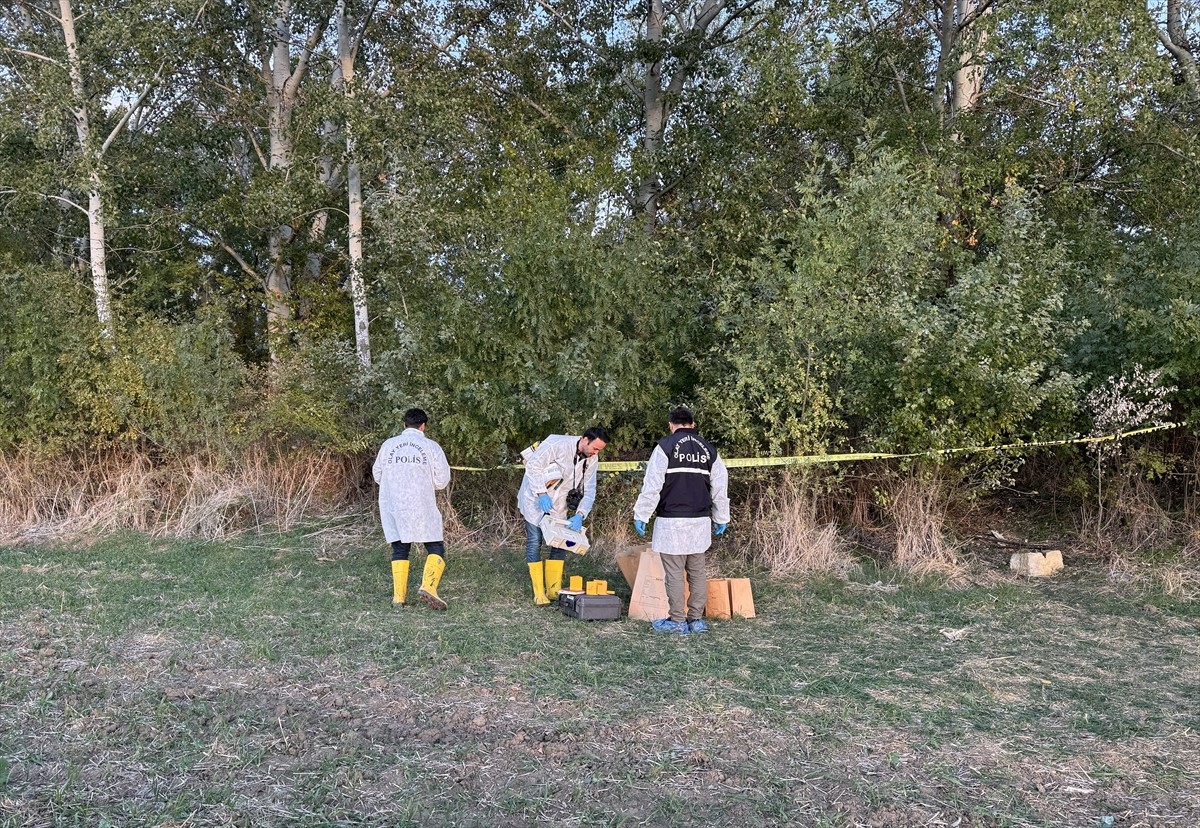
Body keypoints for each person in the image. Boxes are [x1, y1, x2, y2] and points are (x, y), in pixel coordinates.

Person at [633, 407, 729, 634]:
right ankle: (696, 620)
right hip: (700, 521)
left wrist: (641, 514)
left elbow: (652, 484)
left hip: (672, 522)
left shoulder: (665, 447)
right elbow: (720, 485)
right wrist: (721, 516)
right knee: (697, 572)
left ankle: (677, 621)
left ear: (671, 425)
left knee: (675, 573)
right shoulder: (709, 449)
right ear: (693, 424)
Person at [517, 427, 609, 605]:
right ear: (585, 440)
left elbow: (590, 490)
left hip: (559, 504)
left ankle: (553, 590)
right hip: (534, 499)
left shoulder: (591, 458)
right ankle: (539, 592)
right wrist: (541, 493)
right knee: (535, 541)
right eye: (595, 448)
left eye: (599, 450)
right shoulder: (557, 444)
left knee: (560, 543)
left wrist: (580, 514)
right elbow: (533, 466)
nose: (596, 453)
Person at [372, 408, 453, 610]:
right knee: (435, 545)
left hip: (393, 503)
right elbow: (442, 480)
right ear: (423, 426)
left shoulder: (388, 445)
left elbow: (377, 475)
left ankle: (398, 598)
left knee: (400, 548)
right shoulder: (431, 447)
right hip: (422, 503)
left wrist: (395, 485)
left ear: (404, 424)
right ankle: (428, 587)